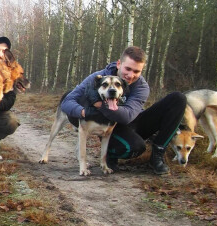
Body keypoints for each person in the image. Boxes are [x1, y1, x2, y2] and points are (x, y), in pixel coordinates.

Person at [61, 46, 186, 175]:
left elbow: (127, 117)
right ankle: (110, 154)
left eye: (136, 71)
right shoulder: (98, 78)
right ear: (119, 64)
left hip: (131, 119)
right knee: (135, 148)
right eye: (128, 69)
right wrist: (84, 112)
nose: (131, 75)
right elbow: (67, 102)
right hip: (112, 127)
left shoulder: (141, 87)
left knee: (178, 99)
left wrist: (99, 104)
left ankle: (158, 153)